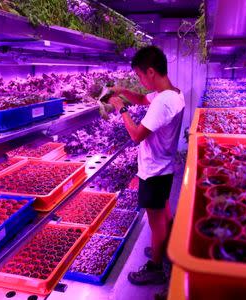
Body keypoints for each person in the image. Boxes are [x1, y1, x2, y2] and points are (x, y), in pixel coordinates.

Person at [109, 46, 185, 285]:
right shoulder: (173, 93)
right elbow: (142, 99)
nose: (140, 81)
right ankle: (163, 249)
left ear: (151, 72)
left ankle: (155, 267)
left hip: (154, 170)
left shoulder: (163, 102)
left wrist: (121, 109)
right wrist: (123, 92)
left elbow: (136, 135)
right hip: (164, 167)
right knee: (163, 211)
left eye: (140, 76)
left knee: (155, 220)